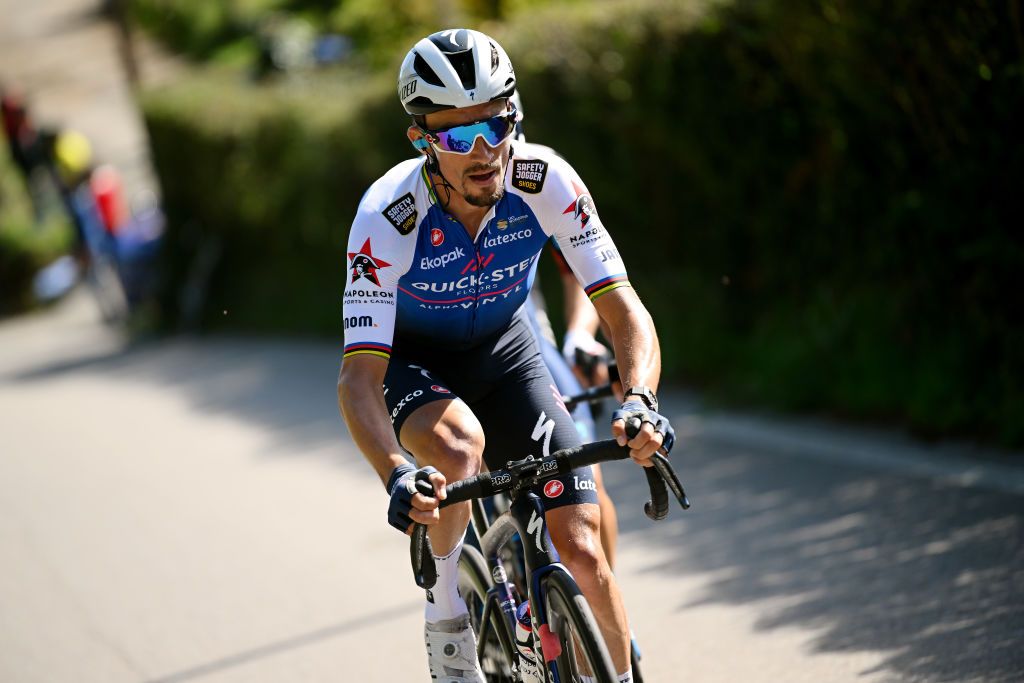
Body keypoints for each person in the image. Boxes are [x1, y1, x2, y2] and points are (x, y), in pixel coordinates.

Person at [337, 28, 675, 683]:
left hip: (508, 350)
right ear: (423, 141)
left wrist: (640, 399)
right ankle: (446, 619)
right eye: (459, 137)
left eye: (496, 126)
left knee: (581, 544)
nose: (484, 151)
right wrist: (395, 471)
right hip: (418, 360)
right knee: (460, 449)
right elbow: (358, 378)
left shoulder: (544, 179)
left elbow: (624, 308)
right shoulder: (388, 217)